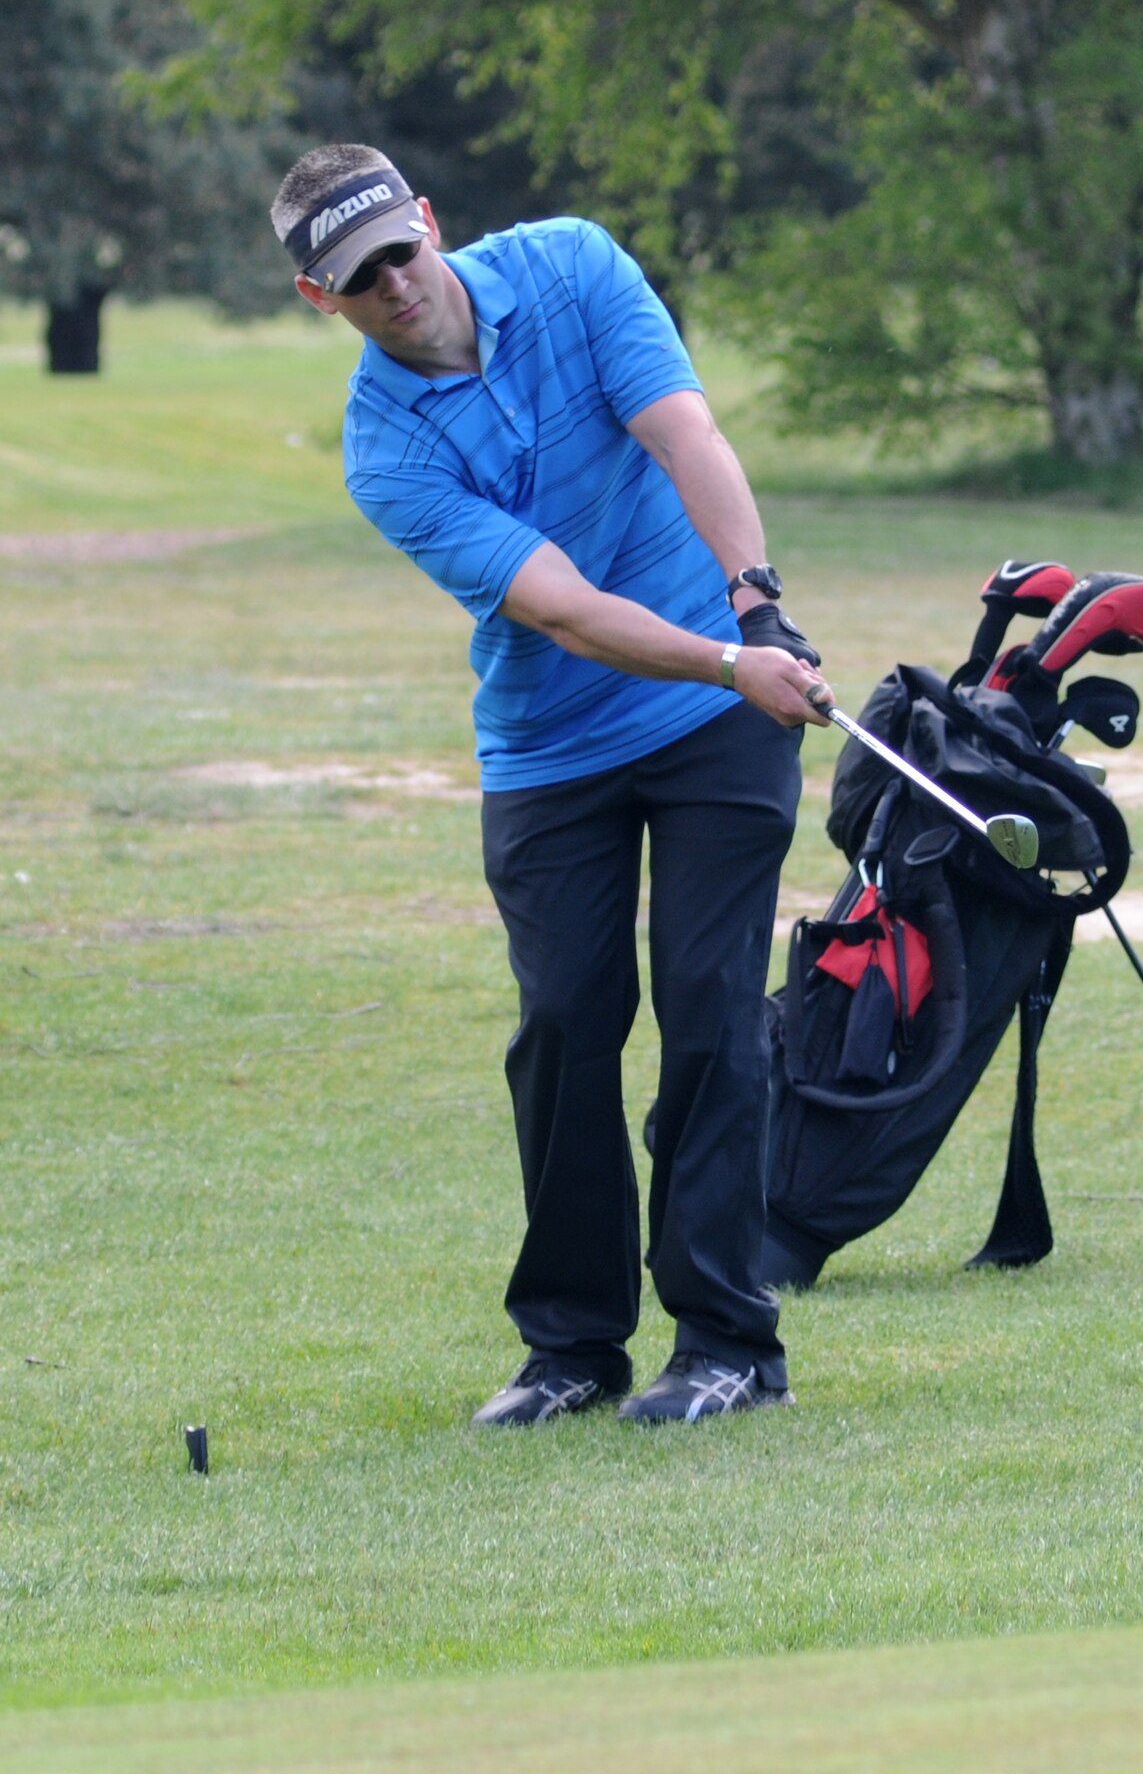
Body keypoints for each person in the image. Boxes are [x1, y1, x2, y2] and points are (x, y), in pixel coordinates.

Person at [270, 144, 833, 1425]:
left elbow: (683, 429)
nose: (394, 286)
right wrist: (726, 658)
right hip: (557, 741)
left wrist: (758, 606)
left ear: (426, 219)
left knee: (706, 997)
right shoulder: (383, 450)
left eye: (399, 252)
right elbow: (567, 613)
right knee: (568, 1024)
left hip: (722, 713)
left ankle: (729, 1342)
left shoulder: (572, 266)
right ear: (322, 300)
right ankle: (574, 1349)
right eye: (358, 280)